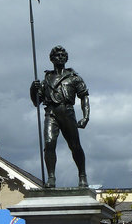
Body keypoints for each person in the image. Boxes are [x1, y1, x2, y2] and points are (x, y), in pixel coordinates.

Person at [30, 45, 89, 188]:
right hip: (51, 113)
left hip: (67, 112)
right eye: (57, 55)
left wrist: (86, 116)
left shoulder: (74, 78)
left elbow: (84, 96)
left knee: (75, 146)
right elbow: (36, 102)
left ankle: (82, 175)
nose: (60, 57)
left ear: (66, 58)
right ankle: (51, 178)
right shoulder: (46, 80)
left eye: (63, 55)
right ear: (51, 59)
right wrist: (33, 88)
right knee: (49, 144)